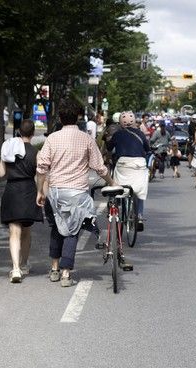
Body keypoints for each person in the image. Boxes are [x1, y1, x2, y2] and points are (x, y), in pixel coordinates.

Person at [36, 98, 117, 287]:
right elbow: (99, 167)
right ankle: (66, 273)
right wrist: (112, 182)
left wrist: (40, 190)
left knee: (56, 228)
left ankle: (54, 268)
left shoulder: (52, 139)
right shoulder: (86, 139)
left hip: (55, 192)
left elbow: (42, 167)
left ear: (60, 117)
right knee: (72, 232)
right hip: (78, 193)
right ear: (79, 117)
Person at [0, 119, 44, 283]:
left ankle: (15, 268)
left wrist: (4, 161)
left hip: (11, 191)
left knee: (14, 231)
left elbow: (1, 174)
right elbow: (40, 175)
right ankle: (24, 264)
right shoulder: (36, 153)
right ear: (32, 134)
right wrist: (40, 192)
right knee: (26, 231)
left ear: (19, 132)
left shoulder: (9, 149)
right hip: (28, 191)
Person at [106, 111, 150, 231]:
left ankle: (117, 208)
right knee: (139, 191)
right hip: (139, 165)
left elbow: (109, 147)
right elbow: (147, 148)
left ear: (121, 123)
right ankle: (139, 216)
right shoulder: (141, 134)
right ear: (134, 122)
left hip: (123, 165)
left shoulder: (117, 134)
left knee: (118, 187)